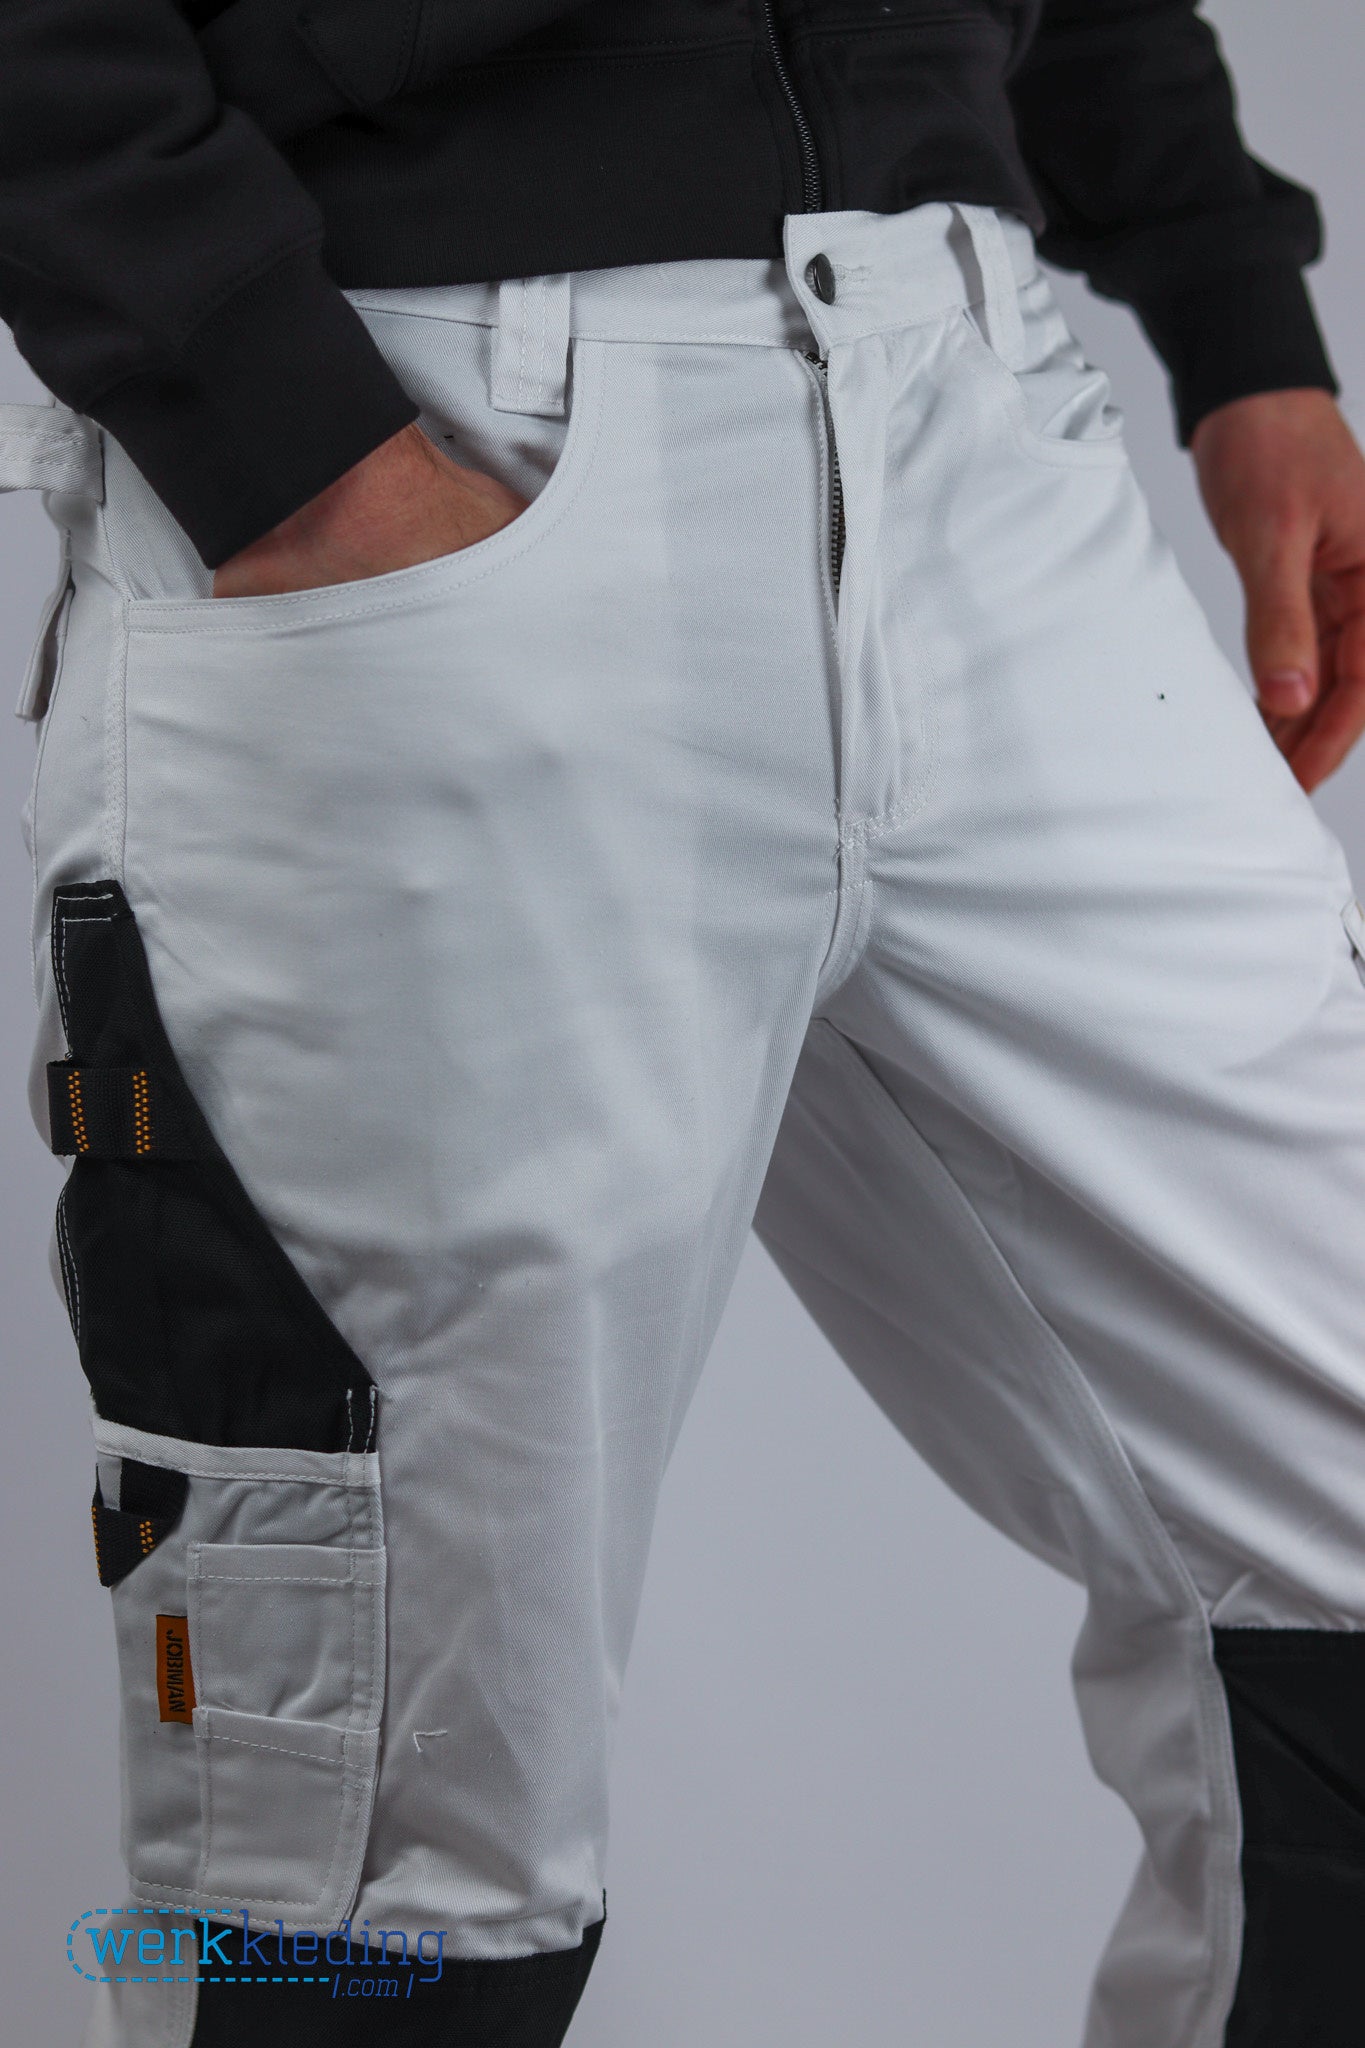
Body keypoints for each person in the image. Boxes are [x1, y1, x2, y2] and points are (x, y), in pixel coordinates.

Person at [2, 2, 1364, 2043]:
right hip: (415, 433)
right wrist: (276, 434)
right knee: (390, 1847)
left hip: (980, 419)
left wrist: (1234, 307)